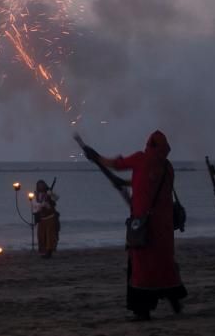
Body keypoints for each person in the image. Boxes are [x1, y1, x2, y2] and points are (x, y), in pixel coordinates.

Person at [78, 130, 187, 321]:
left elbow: (116, 165)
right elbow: (147, 182)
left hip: (144, 226)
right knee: (165, 264)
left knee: (141, 266)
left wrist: (96, 156)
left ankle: (142, 310)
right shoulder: (168, 167)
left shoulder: (140, 158)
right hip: (165, 227)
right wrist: (124, 183)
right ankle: (173, 299)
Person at [32, 179, 60, 258]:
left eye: (42, 185)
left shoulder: (49, 193)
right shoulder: (35, 195)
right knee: (41, 236)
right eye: (39, 185)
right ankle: (43, 253)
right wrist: (42, 205)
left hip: (50, 218)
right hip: (41, 219)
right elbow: (34, 205)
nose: (41, 187)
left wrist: (51, 194)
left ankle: (49, 252)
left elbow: (56, 198)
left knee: (50, 236)